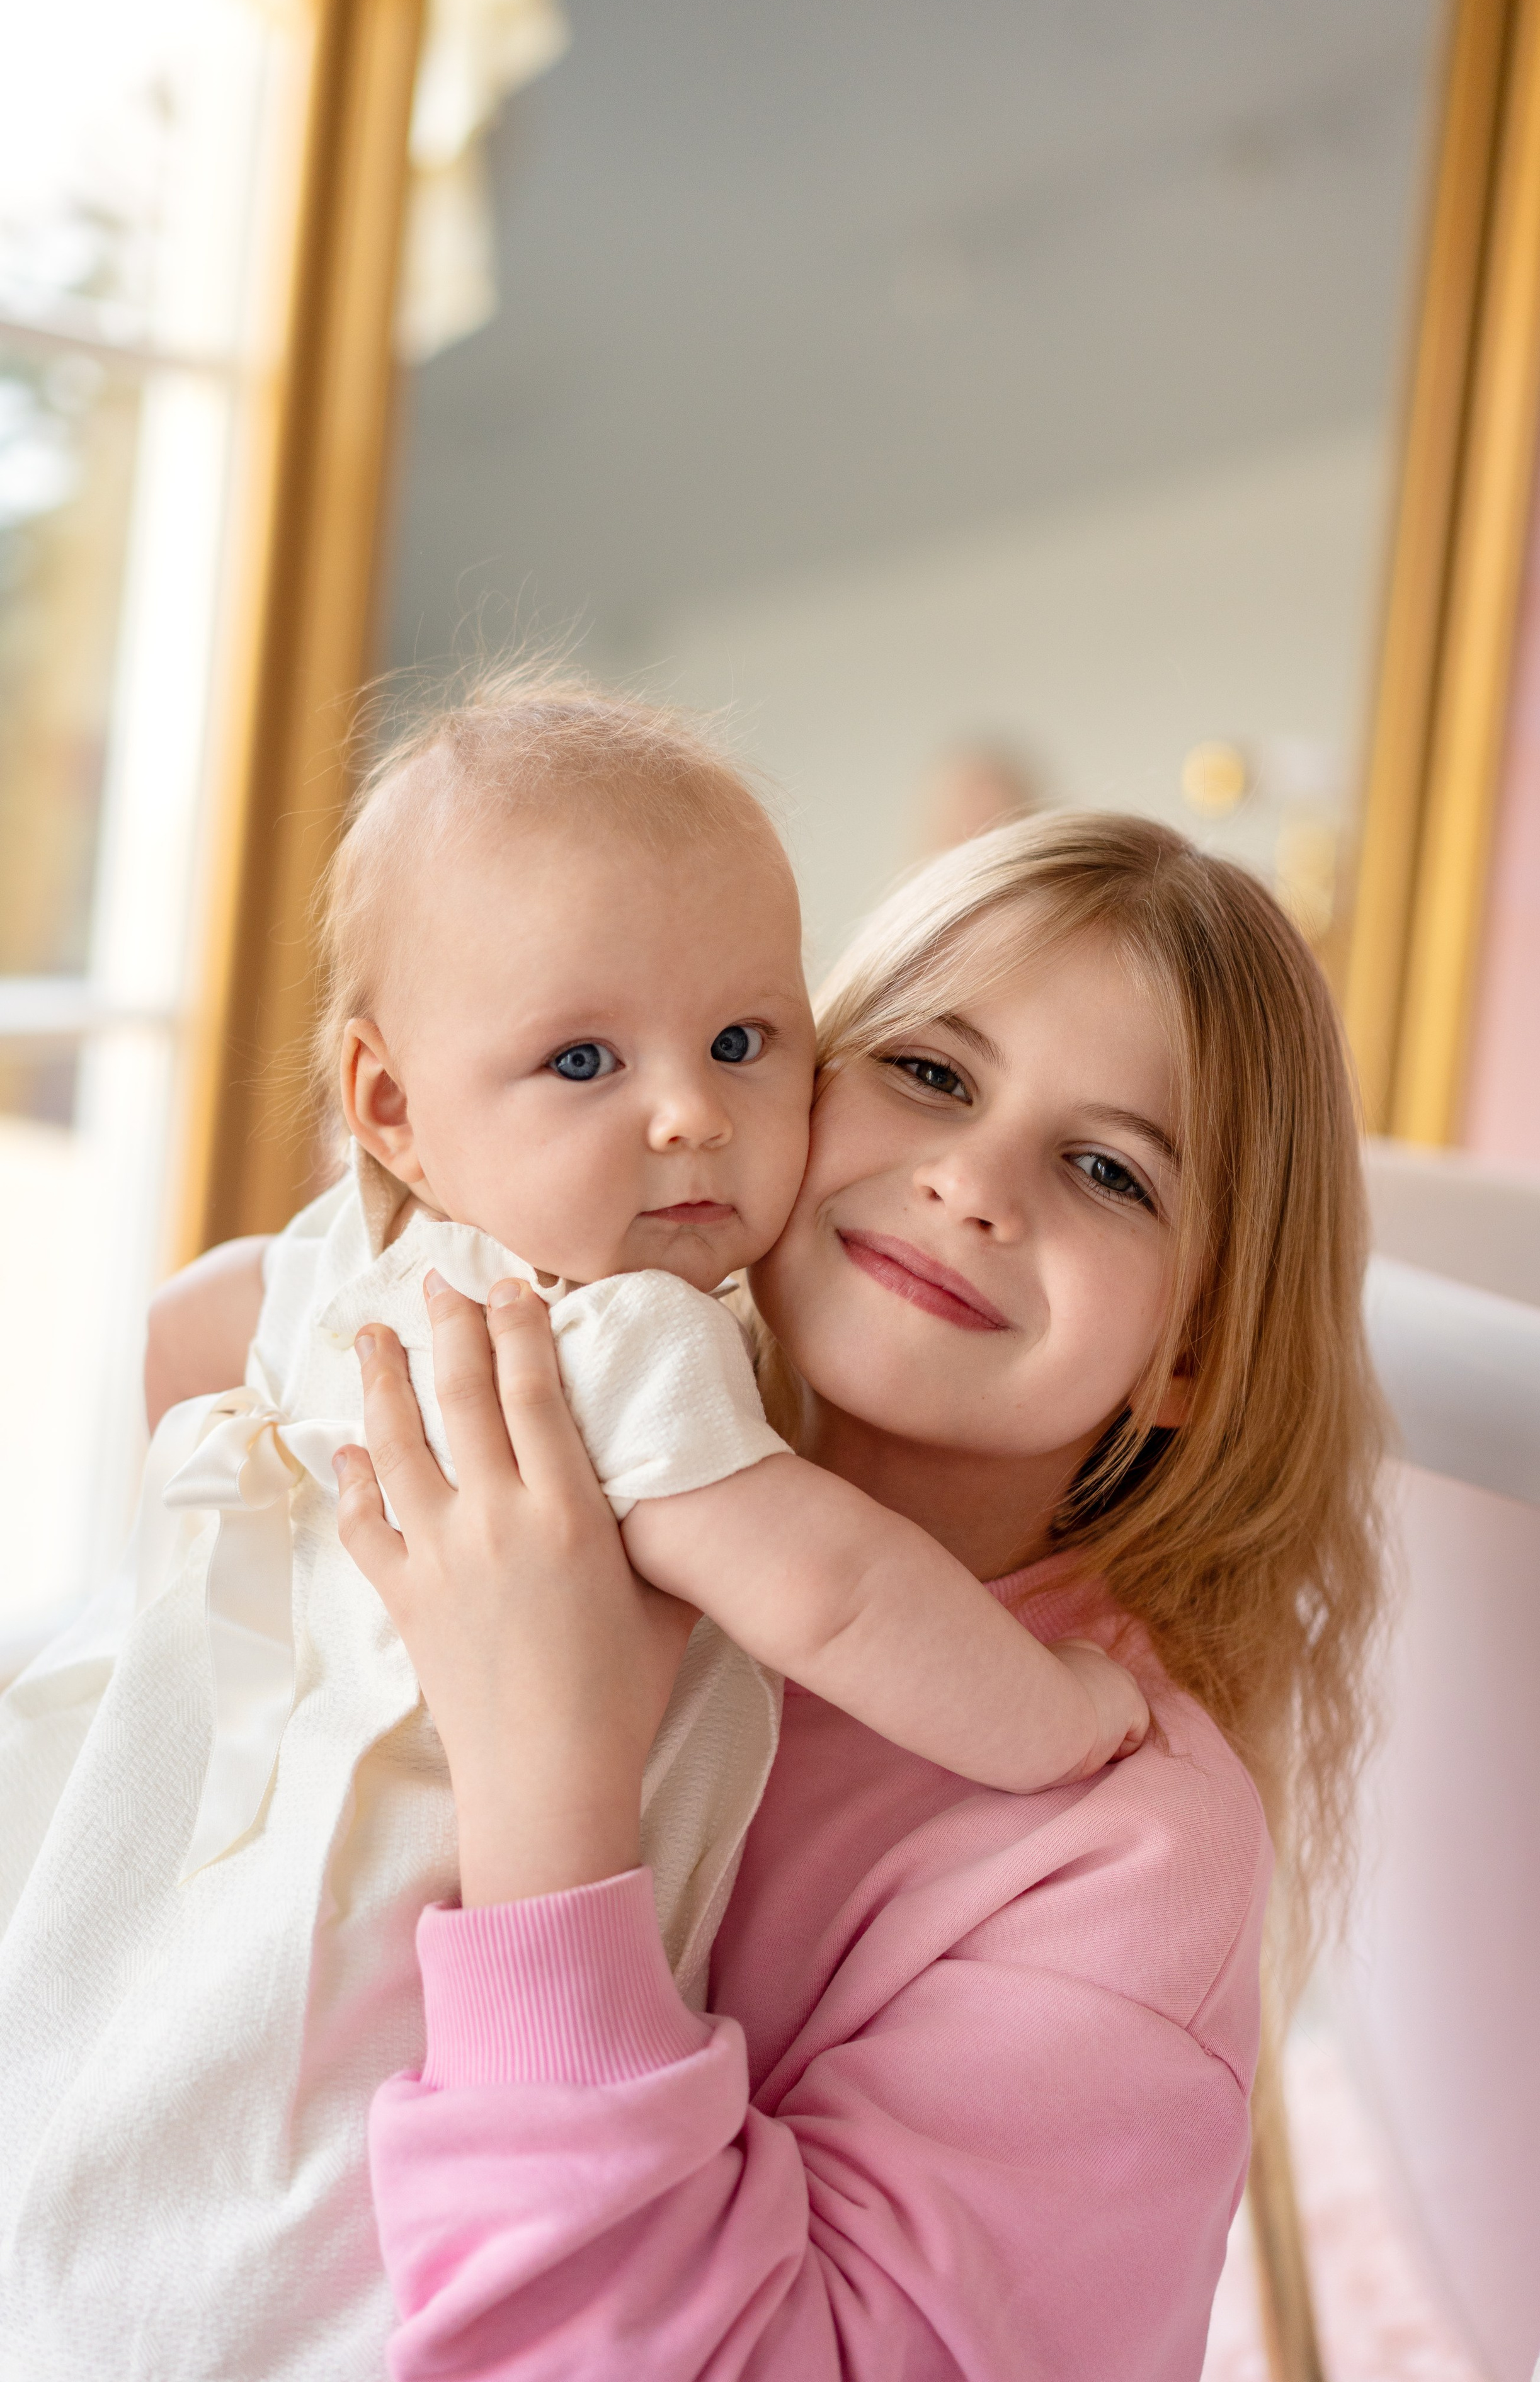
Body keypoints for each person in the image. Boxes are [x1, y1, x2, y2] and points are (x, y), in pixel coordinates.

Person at [0, 679, 1144, 2382]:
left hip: (158, 1895)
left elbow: (188, 1326)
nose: (689, 1116)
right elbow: (829, 1594)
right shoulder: (613, 1339)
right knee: (303, 2248)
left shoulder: (351, 1261)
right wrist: (1058, 1715)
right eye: (586, 1062)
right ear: (393, 1105)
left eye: (742, 1044)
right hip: (399, 1956)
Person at [341, 807, 1388, 2379]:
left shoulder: (1124, 1843)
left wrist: (543, 1776)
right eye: (931, 1075)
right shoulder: (571, 1406)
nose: (972, 1185)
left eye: (1106, 1171)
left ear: (1192, 1351)